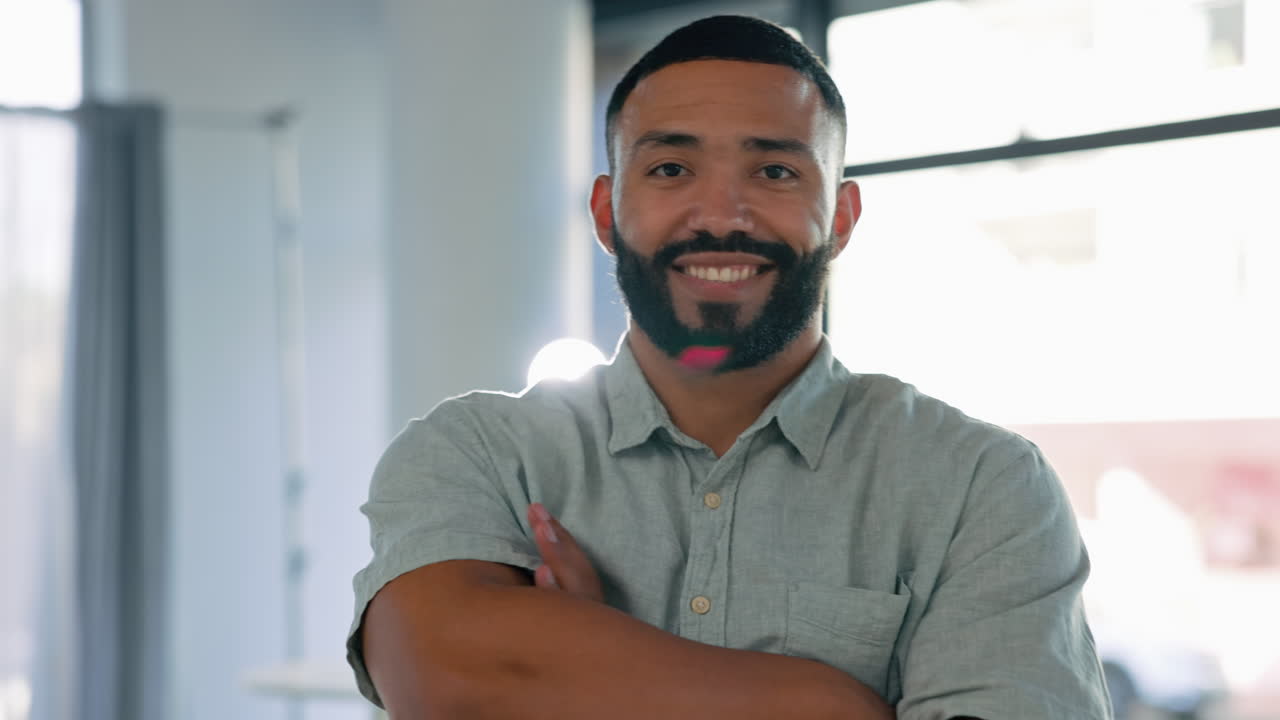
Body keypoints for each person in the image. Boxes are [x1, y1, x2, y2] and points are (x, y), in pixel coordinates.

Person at [347, 15, 1112, 720]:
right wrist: (822, 701)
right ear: (607, 212)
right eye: (670, 169)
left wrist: (581, 671)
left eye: (774, 172)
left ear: (841, 218)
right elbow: (441, 669)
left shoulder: (980, 484)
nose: (719, 216)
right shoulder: (481, 452)